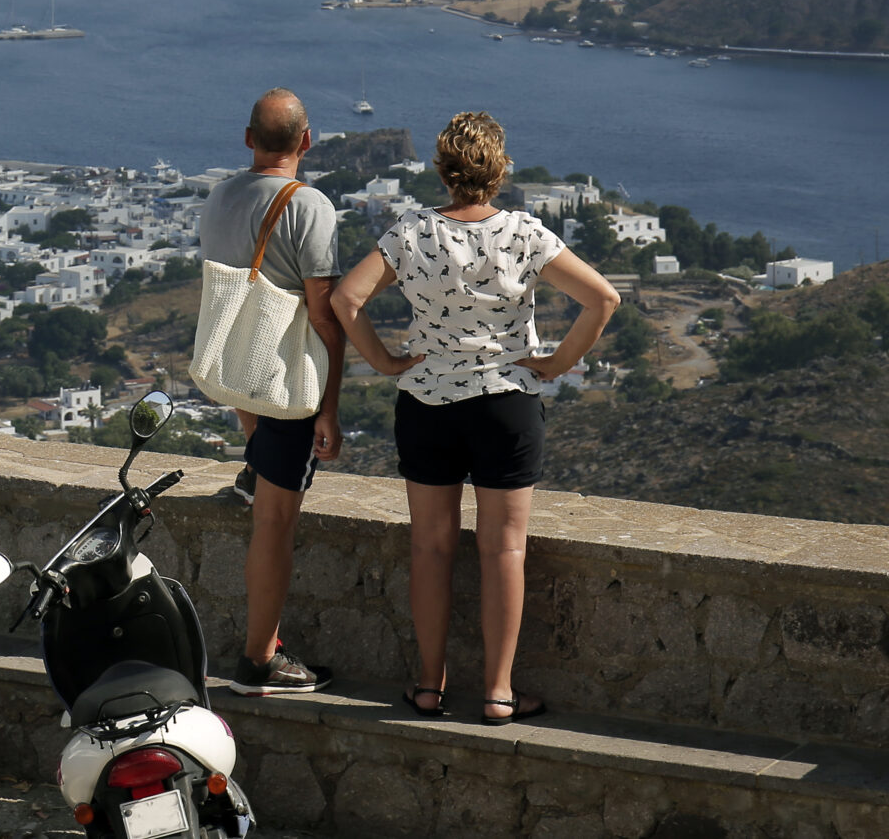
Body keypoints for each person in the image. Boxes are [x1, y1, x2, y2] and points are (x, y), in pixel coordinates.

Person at [331, 110, 619, 725]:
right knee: (505, 549)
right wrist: (555, 364)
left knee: (430, 547)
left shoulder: (412, 232)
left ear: (443, 171)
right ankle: (497, 694)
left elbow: (346, 297)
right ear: (500, 170)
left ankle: (428, 686)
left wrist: (384, 362)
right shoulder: (524, 233)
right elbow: (603, 298)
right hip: (506, 405)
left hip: (427, 404)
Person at [198, 88, 348, 695]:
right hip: (288, 387)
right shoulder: (309, 206)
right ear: (306, 141)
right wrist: (330, 408)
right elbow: (324, 316)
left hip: (241, 376)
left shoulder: (220, 197)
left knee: (268, 499)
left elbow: (240, 311)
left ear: (248, 139)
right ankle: (259, 660)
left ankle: (254, 464)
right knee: (275, 523)